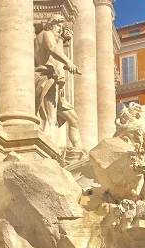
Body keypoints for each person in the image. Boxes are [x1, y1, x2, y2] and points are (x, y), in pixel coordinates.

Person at [34, 14, 83, 149]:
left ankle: (78, 150)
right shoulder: (47, 34)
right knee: (51, 117)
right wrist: (69, 61)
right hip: (47, 77)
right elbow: (52, 48)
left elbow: (50, 56)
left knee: (71, 118)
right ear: (52, 24)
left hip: (49, 78)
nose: (60, 31)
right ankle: (50, 148)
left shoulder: (39, 38)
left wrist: (68, 66)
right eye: (59, 27)